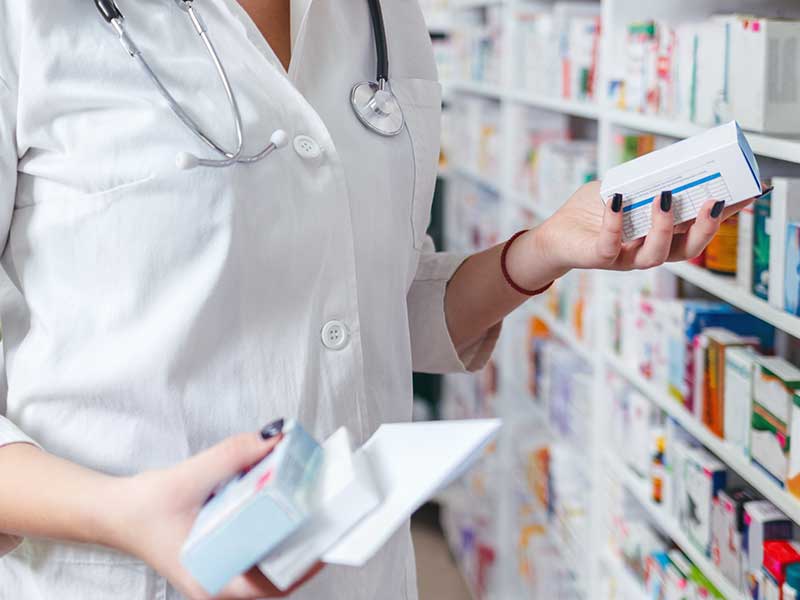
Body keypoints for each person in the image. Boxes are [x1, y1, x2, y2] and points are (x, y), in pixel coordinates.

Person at [0, 1, 753, 599]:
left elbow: (380, 311)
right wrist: (125, 516)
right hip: (119, 576)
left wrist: (544, 250)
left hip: (360, 570)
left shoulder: (384, 17)